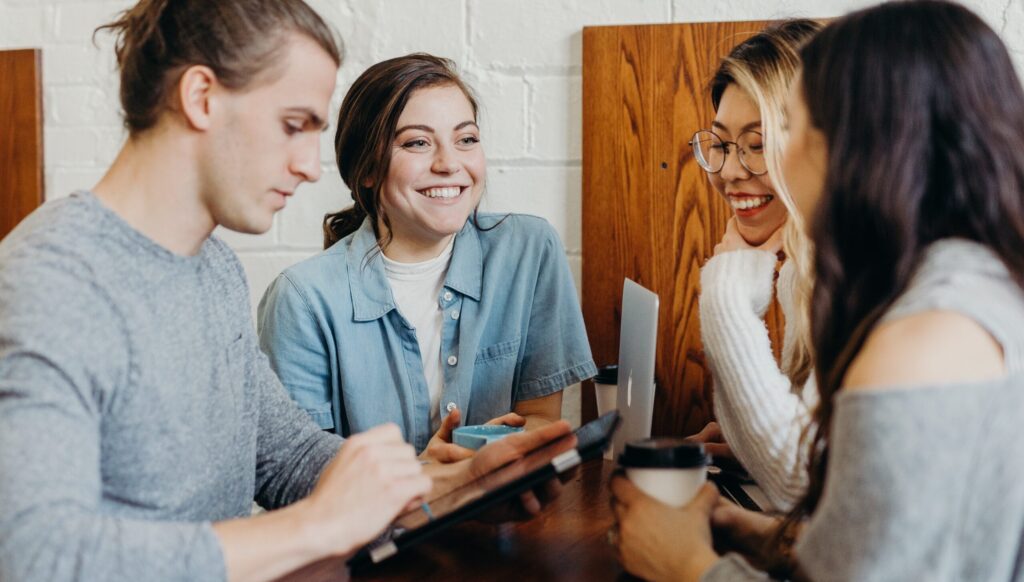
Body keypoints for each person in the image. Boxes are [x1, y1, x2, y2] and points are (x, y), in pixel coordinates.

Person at [0, 2, 571, 581]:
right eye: (293, 125)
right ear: (201, 98)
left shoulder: (212, 268)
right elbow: (35, 555)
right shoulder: (51, 281)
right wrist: (315, 528)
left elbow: (288, 458)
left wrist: (452, 490)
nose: (307, 166)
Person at [610, 1, 1024, 580]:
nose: (758, 161)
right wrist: (764, 536)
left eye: (792, 126)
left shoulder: (923, 337)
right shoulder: (967, 286)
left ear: (861, 144)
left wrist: (687, 565)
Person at [257, 53, 597, 461]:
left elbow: (541, 419)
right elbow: (301, 475)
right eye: (417, 142)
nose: (449, 164)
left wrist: (488, 454)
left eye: (466, 139)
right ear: (366, 168)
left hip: (503, 516)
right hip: (377, 525)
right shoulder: (302, 300)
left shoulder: (529, 250)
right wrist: (428, 476)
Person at [689, 20, 821, 511]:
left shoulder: (863, 273)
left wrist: (725, 293)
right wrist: (749, 445)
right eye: (721, 144)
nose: (728, 171)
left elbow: (800, 484)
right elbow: (813, 465)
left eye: (758, 143)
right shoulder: (803, 269)